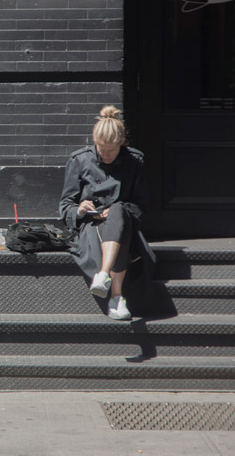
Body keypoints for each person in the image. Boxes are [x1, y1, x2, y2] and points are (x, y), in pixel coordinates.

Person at [59, 105, 156, 320]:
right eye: (101, 148)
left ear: (121, 143)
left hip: (124, 222)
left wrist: (114, 211)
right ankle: (117, 296)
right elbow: (66, 205)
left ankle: (103, 275)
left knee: (120, 211)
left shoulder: (135, 161)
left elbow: (141, 206)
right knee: (116, 225)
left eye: (111, 149)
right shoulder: (80, 160)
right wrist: (81, 209)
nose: (105, 153)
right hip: (92, 224)